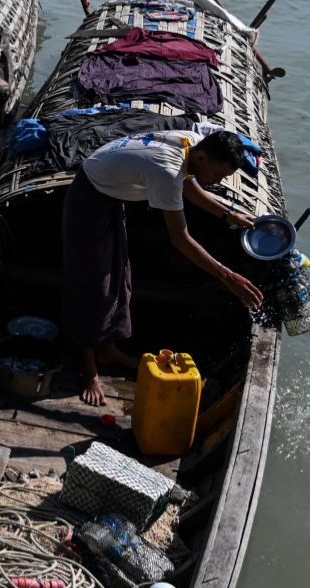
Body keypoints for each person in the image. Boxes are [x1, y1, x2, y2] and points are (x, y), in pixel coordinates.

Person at [62, 128, 266, 407]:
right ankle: (89, 370)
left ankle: (107, 350)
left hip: (111, 194)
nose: (217, 183)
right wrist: (227, 276)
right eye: (218, 176)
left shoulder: (190, 144)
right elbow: (180, 239)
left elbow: (189, 183)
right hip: (89, 197)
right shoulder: (167, 172)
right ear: (204, 158)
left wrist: (227, 214)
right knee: (94, 282)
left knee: (118, 273)